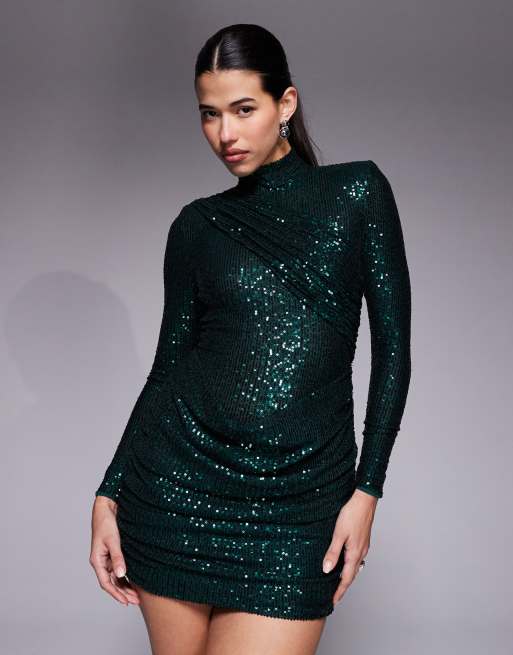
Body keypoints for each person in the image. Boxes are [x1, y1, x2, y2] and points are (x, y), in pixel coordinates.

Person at [89, 23, 412, 655]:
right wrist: (109, 490)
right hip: (176, 493)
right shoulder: (196, 227)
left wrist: (367, 490)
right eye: (209, 114)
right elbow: (168, 366)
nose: (225, 134)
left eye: (243, 109)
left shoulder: (356, 194)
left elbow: (394, 355)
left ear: (285, 103)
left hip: (299, 504)